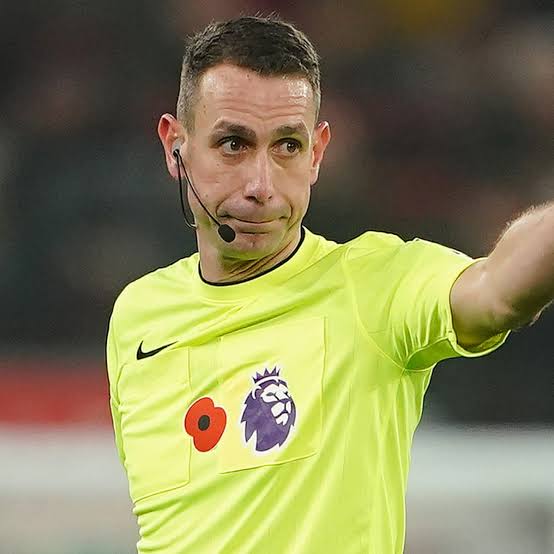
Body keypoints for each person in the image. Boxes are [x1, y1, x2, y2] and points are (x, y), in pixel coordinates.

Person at [106, 15, 553, 554]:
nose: (261, 185)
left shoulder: (375, 286)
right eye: (233, 143)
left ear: (317, 153)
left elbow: (498, 289)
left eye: (287, 146)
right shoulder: (137, 316)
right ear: (175, 146)